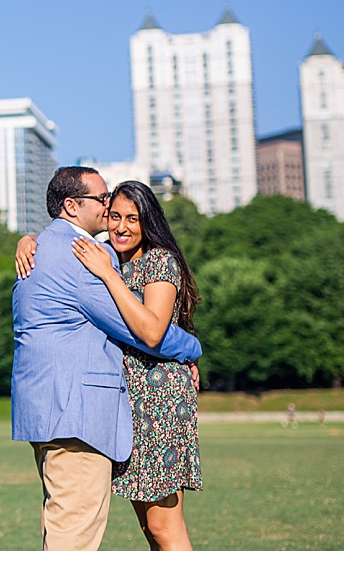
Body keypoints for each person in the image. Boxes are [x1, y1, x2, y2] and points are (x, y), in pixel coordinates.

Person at [11, 168, 202, 551]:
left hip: (94, 408)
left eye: (128, 215)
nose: (109, 210)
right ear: (71, 205)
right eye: (104, 203)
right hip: (80, 413)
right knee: (75, 534)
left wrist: (32, 238)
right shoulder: (81, 257)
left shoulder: (55, 249)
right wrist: (193, 349)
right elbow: (143, 333)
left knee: (133, 527)